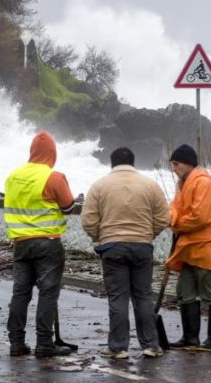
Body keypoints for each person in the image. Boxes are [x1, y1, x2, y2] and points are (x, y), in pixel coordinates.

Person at [81, 147, 170, 359]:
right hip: (142, 246)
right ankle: (151, 345)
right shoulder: (150, 185)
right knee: (143, 296)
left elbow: (88, 220)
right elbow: (163, 218)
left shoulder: (100, 186)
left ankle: (118, 347)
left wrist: (99, 237)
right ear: (133, 162)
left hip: (112, 247)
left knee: (118, 298)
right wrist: (149, 234)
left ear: (111, 164)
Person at [4, 130, 77, 358]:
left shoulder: (12, 176)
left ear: (32, 151)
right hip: (47, 243)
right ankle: (44, 343)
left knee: (20, 293)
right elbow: (68, 207)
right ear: (52, 153)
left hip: (21, 243)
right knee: (47, 293)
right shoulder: (53, 177)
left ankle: (16, 342)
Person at [166, 144, 211, 351]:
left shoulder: (203, 182)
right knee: (185, 292)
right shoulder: (183, 184)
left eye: (176, 164)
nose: (174, 168)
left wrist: (176, 224)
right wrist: (174, 220)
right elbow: (174, 208)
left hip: (209, 245)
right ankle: (190, 338)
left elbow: (199, 216)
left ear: (187, 163)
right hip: (189, 247)